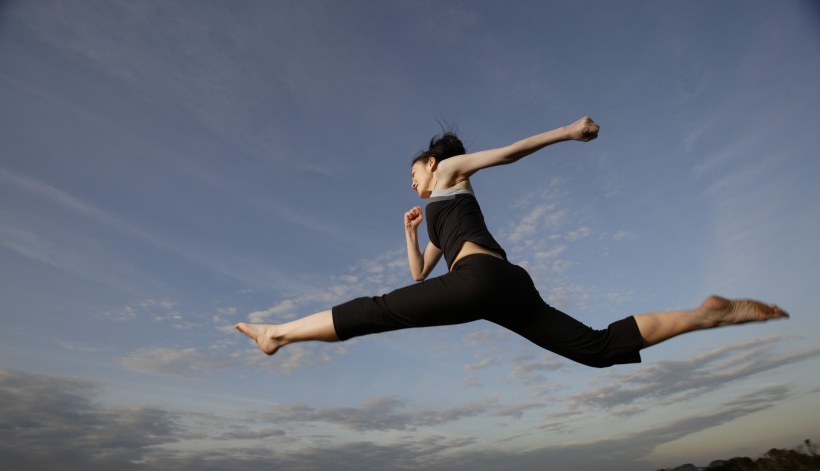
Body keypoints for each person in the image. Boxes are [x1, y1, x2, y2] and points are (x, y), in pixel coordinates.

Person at [236, 117, 788, 367]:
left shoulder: (451, 171)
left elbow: (507, 152)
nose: (414, 182)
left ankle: (278, 334)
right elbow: (419, 277)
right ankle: (706, 315)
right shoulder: (436, 215)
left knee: (380, 313)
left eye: (414, 174)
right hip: (503, 286)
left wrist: (568, 133)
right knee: (594, 349)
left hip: (480, 283)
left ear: (432, 163)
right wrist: (409, 233)